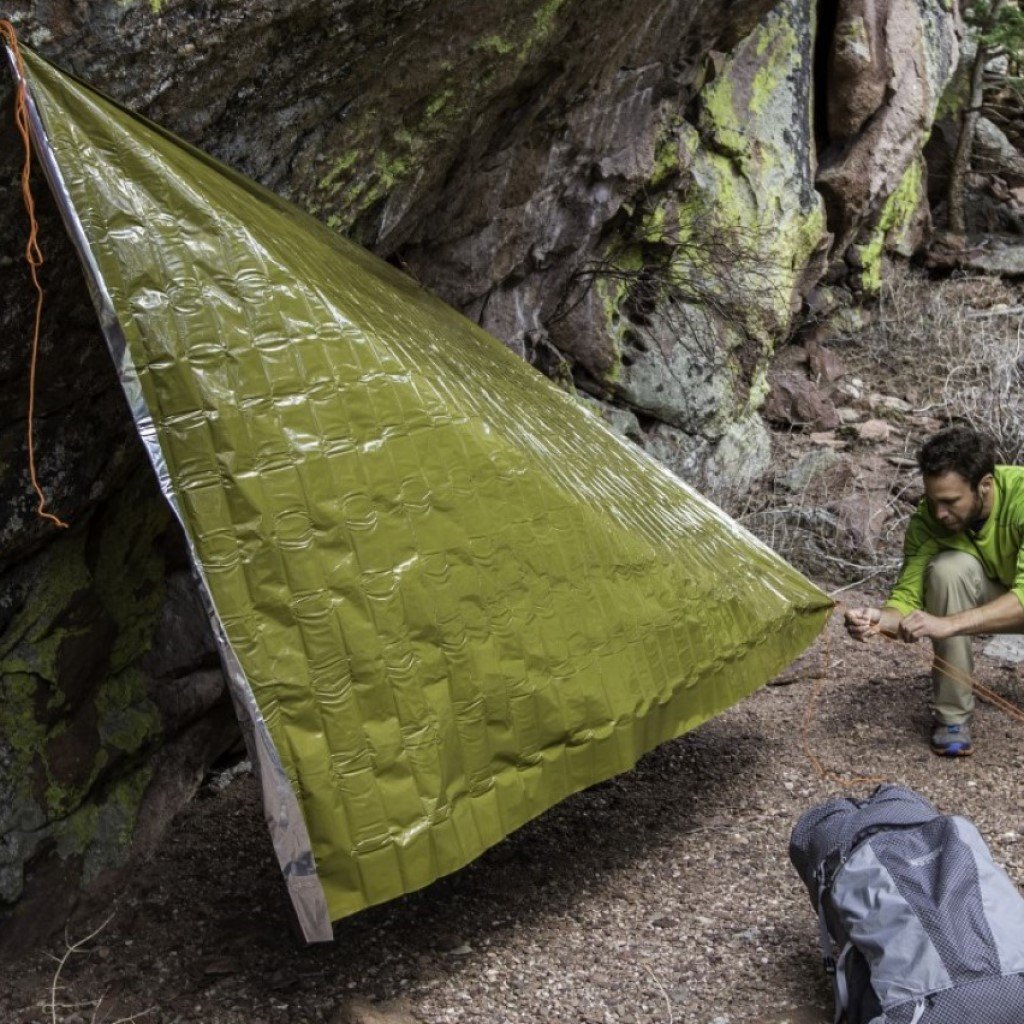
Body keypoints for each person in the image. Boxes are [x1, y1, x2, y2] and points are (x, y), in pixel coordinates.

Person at [844, 425, 1024, 757]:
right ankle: (952, 719)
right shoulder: (930, 521)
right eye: (932, 499)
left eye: (951, 501)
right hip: (1002, 594)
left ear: (985, 484)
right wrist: (880, 620)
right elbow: (907, 599)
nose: (939, 512)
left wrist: (949, 624)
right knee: (946, 570)